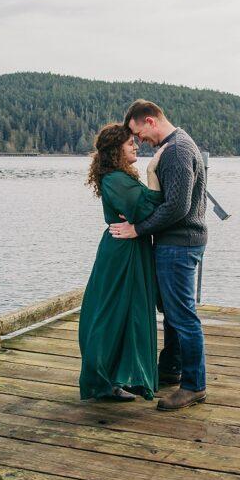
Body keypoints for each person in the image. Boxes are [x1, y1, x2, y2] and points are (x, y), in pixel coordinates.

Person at [110, 99, 208, 411]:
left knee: (182, 314)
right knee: (173, 311)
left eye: (139, 134)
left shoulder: (177, 151)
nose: (140, 141)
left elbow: (177, 207)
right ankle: (171, 368)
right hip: (179, 241)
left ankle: (194, 385)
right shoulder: (175, 146)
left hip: (179, 243)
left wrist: (138, 229)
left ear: (150, 121)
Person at [79, 123, 166, 402]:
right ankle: (102, 379)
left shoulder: (118, 177)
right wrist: (153, 172)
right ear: (117, 149)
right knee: (113, 312)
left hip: (129, 247)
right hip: (121, 252)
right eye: (131, 143)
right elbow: (145, 208)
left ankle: (116, 379)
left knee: (128, 312)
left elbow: (143, 209)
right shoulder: (115, 179)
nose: (136, 147)